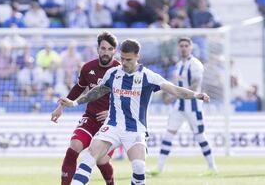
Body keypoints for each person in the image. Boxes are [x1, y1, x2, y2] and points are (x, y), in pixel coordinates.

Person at [59, 39, 210, 185]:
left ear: (138, 57)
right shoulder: (113, 73)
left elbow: (175, 90)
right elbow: (97, 91)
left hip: (135, 129)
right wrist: (75, 102)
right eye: (122, 59)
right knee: (89, 158)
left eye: (128, 60)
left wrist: (197, 95)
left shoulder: (148, 76)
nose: (124, 63)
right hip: (112, 127)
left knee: (139, 167)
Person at [51, 31, 120, 185]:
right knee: (74, 147)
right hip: (90, 118)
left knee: (102, 161)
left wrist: (111, 113)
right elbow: (78, 88)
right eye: (103, 48)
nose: (106, 52)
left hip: (111, 123)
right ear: (98, 49)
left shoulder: (120, 70)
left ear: (114, 51)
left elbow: (128, 99)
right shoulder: (88, 68)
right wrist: (60, 107)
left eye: (110, 49)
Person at [148, 37, 218, 176]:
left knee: (200, 136)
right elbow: (175, 84)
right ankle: (159, 168)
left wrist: (175, 95)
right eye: (182, 46)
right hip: (179, 106)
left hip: (193, 106)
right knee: (168, 134)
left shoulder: (196, 64)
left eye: (186, 45)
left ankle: (212, 167)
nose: (184, 48)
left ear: (191, 47)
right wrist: (169, 96)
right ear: (178, 48)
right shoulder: (179, 64)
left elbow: (196, 85)